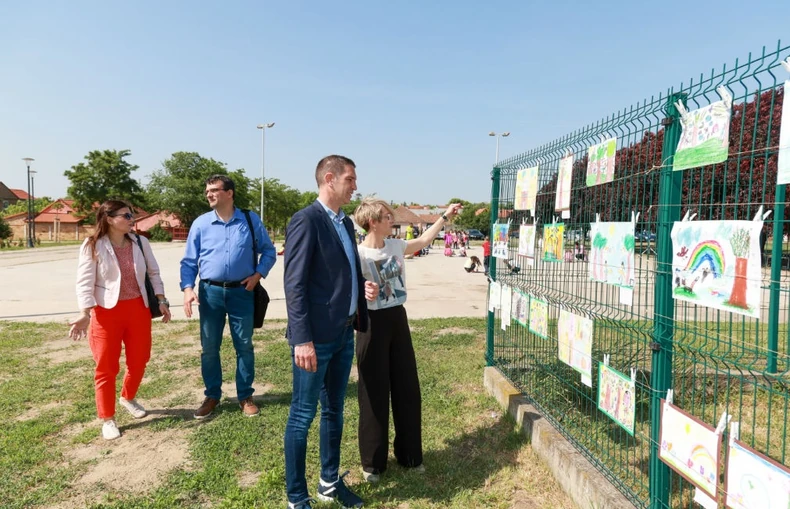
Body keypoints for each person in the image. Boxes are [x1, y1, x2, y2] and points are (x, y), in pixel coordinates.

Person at [283, 155, 379, 509]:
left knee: (334, 409)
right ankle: (297, 497)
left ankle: (329, 482)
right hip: (315, 339)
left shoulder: (344, 223)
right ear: (329, 178)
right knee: (302, 416)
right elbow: (294, 284)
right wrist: (302, 339)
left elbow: (340, 273)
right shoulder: (306, 220)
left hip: (342, 333)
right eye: (350, 179)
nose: (355, 186)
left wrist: (361, 289)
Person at [353, 198, 462, 483]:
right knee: (373, 393)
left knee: (407, 388)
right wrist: (362, 290)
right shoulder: (357, 254)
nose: (392, 220)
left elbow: (424, 240)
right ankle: (373, 464)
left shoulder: (395, 246)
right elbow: (345, 286)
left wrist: (444, 217)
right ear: (373, 222)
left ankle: (410, 455)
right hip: (370, 325)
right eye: (387, 217)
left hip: (397, 320)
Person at [68, 200, 172, 440]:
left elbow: (153, 273)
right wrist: (85, 312)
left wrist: (162, 300)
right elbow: (84, 282)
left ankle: (127, 397)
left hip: (138, 309)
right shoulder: (93, 245)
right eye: (126, 215)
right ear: (109, 219)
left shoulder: (140, 242)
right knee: (106, 367)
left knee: (140, 360)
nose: (131, 219)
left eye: (131, 215)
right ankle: (108, 418)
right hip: (106, 312)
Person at [180, 175, 276, 420]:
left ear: (230, 193)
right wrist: (188, 288)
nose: (209, 194)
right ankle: (212, 395)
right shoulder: (201, 224)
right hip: (209, 294)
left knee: (244, 345)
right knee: (209, 347)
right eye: (207, 191)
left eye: (214, 190)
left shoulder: (250, 220)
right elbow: (189, 261)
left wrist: (258, 275)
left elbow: (268, 251)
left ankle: (245, 396)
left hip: (242, 292)